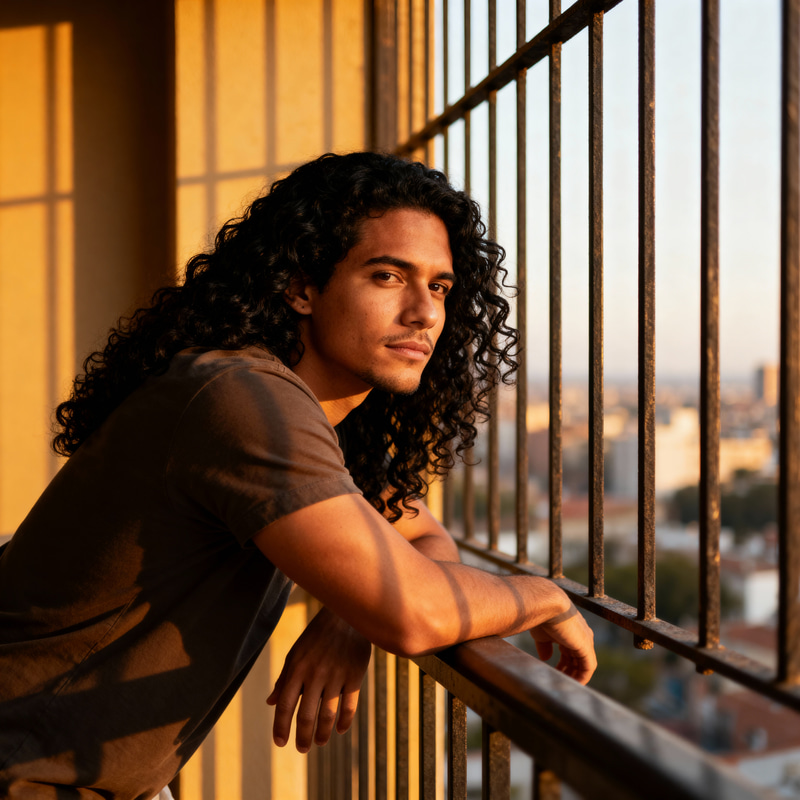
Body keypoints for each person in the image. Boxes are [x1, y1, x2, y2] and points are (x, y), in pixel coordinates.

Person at [0, 151, 595, 799]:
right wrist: (546, 595)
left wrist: (352, 615)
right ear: (301, 287)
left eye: (441, 287)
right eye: (389, 277)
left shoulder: (296, 416)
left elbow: (423, 544)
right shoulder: (243, 401)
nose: (425, 313)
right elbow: (418, 611)